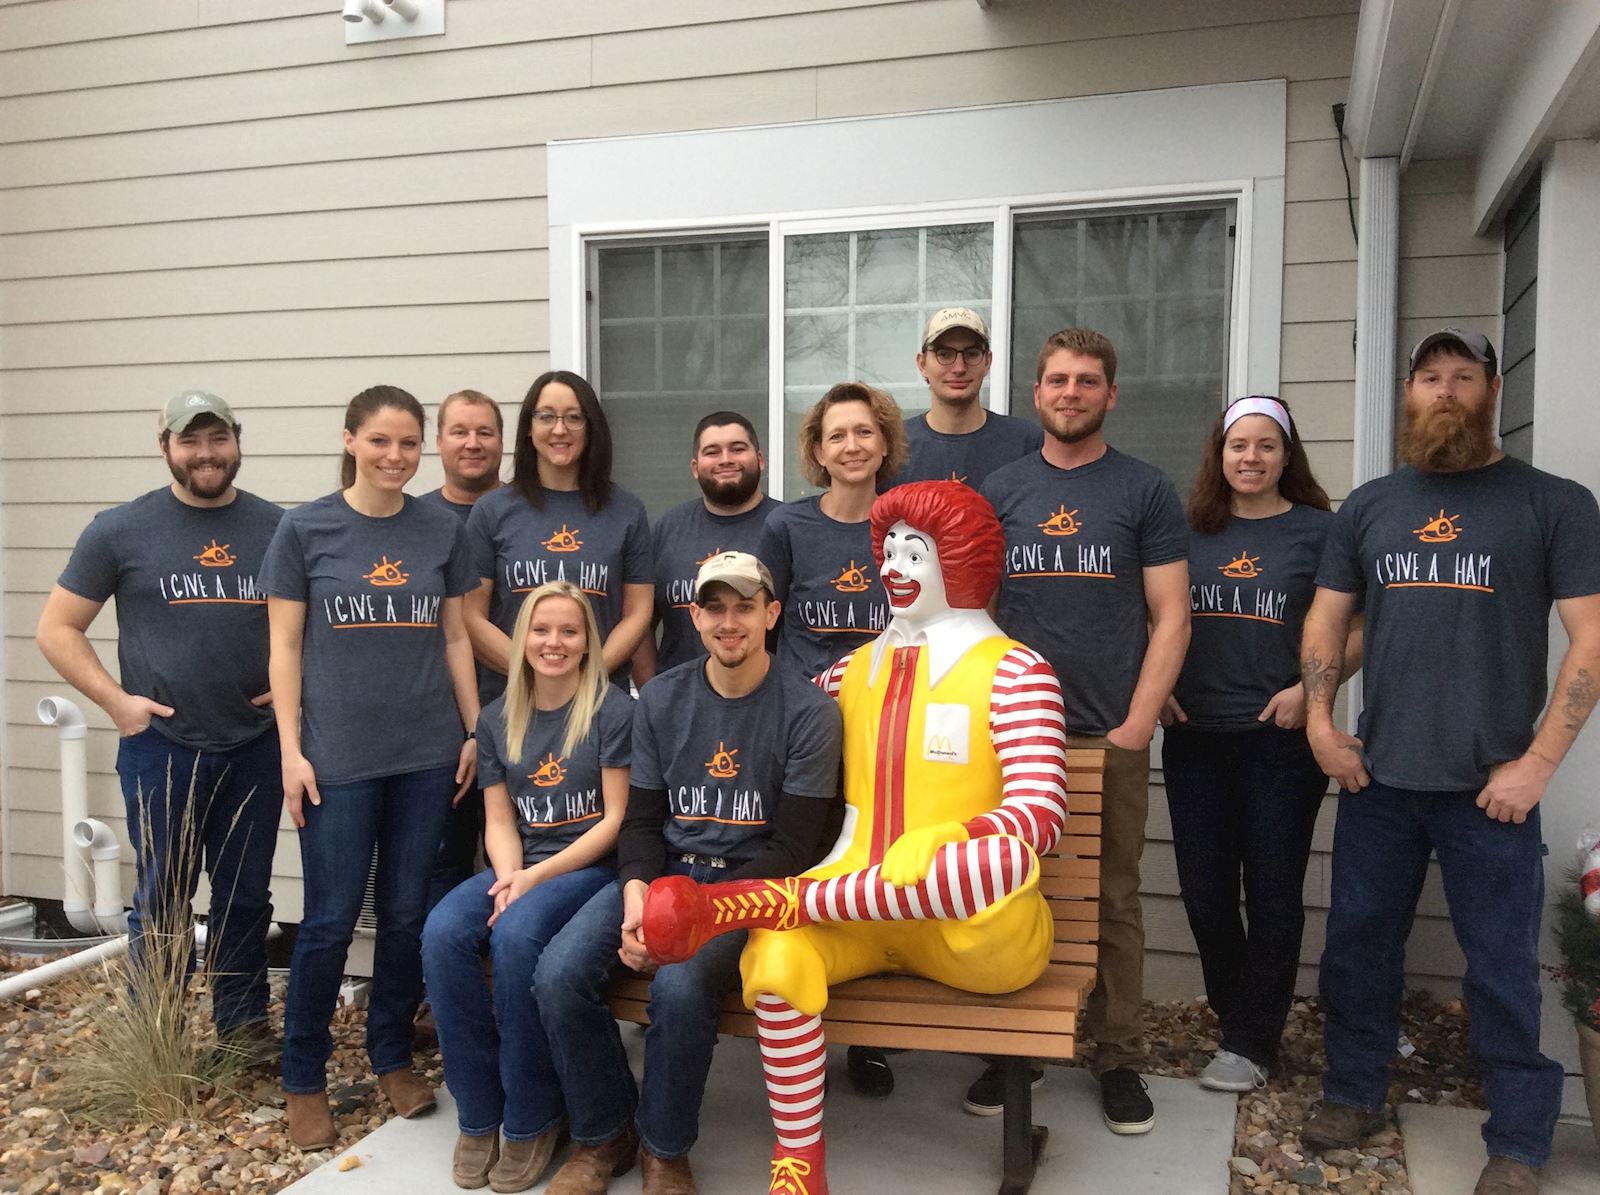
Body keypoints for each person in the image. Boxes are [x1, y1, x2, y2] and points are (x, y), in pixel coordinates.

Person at [640, 482, 1071, 1195]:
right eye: (891, 551)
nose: (897, 567)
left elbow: (1038, 814)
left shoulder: (1018, 673)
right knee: (776, 959)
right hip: (856, 917)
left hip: (972, 928)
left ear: (961, 558)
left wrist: (951, 837)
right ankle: (800, 1163)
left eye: (918, 551)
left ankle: (741, 902)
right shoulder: (844, 674)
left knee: (998, 862)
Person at [1298, 328, 1600, 1195]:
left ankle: (1518, 1137)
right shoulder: (1371, 505)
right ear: (1408, 391)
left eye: (1461, 377)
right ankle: (1354, 1089)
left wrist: (1538, 763)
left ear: (1492, 389)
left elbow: (1589, 640)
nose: (1443, 392)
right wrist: (1323, 724)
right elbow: (1327, 622)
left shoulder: (1553, 502)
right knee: (1356, 945)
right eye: (1428, 377)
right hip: (1380, 779)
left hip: (1493, 791)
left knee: (1501, 968)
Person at [532, 551, 842, 1195]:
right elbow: (641, 824)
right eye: (716, 608)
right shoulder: (663, 698)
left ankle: (666, 1150)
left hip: (751, 885)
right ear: (695, 616)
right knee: (559, 973)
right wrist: (639, 900)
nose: (731, 623)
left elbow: (793, 847)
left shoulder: (809, 712)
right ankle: (603, 1133)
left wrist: (695, 920)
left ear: (772, 614)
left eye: (746, 607)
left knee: (679, 986)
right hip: (666, 871)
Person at [979, 327, 1190, 1133]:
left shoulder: (1143, 489)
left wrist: (1136, 725)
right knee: (1010, 889)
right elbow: (980, 610)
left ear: (1111, 394)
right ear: (1035, 394)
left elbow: (1171, 616)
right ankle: (1017, 1048)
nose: (1071, 391)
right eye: (1058, 379)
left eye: (1088, 380)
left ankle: (1118, 1051)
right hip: (1013, 733)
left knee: (1113, 896)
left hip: (1110, 730)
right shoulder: (1002, 489)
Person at [262, 385, 481, 1150]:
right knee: (325, 923)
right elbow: (284, 647)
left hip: (426, 754)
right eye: (381, 441)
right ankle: (303, 1074)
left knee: (407, 913)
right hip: (338, 762)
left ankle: (390, 1053)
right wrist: (290, 750)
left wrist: (473, 729)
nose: (396, 456)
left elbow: (455, 637)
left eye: (409, 443)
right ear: (351, 440)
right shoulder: (305, 528)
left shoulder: (438, 529)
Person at [35, 390, 284, 1058]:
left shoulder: (277, 528)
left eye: (217, 439)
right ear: (165, 445)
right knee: (164, 893)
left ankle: (243, 1027)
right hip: (163, 748)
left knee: (244, 890)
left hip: (256, 746)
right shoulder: (120, 531)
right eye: (190, 441)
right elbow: (57, 629)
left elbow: (308, 626)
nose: (206, 454)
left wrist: (292, 691)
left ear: (237, 439)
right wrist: (117, 702)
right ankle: (161, 1034)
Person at [1161, 395, 1356, 1092]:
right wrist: (1155, 684)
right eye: (1238, 444)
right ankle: (1242, 1017)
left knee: (1272, 891)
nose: (1251, 457)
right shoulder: (1185, 529)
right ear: (1219, 453)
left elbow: (1355, 625)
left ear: (1286, 454)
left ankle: (1250, 1039)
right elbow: (1147, 611)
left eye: (1266, 445)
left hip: (1279, 739)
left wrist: (1311, 692)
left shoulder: (1318, 531)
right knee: (1206, 893)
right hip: (1195, 738)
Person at [422, 582, 632, 1192]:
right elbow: (497, 819)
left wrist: (533, 879)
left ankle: (534, 1115)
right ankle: (480, 1113)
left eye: (569, 631)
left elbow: (616, 819)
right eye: (542, 631)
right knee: (443, 933)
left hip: (589, 868)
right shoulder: (496, 717)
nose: (554, 642)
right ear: (522, 640)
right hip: (521, 862)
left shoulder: (612, 710)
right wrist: (511, 874)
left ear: (588, 642)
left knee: (516, 937)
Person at [464, 371, 652, 694]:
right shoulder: (491, 511)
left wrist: (585, 677)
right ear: (529, 427)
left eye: (574, 418)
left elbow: (638, 612)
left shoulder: (626, 511)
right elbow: (471, 615)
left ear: (591, 428)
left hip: (598, 702)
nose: (560, 429)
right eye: (546, 416)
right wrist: (535, 674)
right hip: (513, 702)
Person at [422, 389, 507, 907]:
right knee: (440, 862)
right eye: (460, 431)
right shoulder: (415, 520)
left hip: (520, 715)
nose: (473, 444)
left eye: (485, 432)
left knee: (516, 855)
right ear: (438, 442)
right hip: (435, 726)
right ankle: (440, 983)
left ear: (502, 442)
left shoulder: (527, 512)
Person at [759, 382, 903, 683]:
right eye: (837, 436)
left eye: (864, 432)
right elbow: (763, 628)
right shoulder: (785, 526)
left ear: (885, 444)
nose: (852, 446)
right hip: (803, 711)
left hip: (886, 707)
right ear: (819, 452)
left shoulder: (907, 530)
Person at [635, 411, 781, 683]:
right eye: (713, 452)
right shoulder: (668, 528)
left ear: (760, 460)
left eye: (737, 449)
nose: (726, 459)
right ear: (695, 466)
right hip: (679, 706)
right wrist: (652, 691)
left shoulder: (785, 528)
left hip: (765, 704)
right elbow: (640, 622)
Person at [891, 307, 1042, 488]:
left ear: (987, 361)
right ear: (922, 363)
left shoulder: (1026, 443)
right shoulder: (894, 447)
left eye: (972, 354)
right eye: (944, 354)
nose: (959, 368)